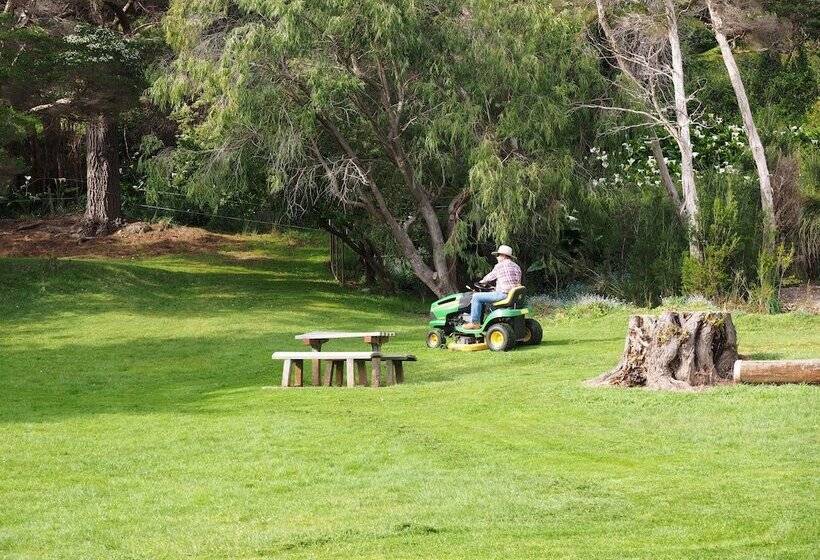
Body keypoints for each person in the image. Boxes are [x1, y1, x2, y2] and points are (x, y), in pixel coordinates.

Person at [463, 244, 521, 329]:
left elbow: (489, 277)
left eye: (498, 255)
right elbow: (515, 283)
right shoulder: (517, 267)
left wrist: (481, 282)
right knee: (491, 294)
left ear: (503, 256)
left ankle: (474, 323)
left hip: (503, 295)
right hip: (513, 295)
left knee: (476, 297)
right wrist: (495, 288)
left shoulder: (500, 266)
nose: (497, 257)